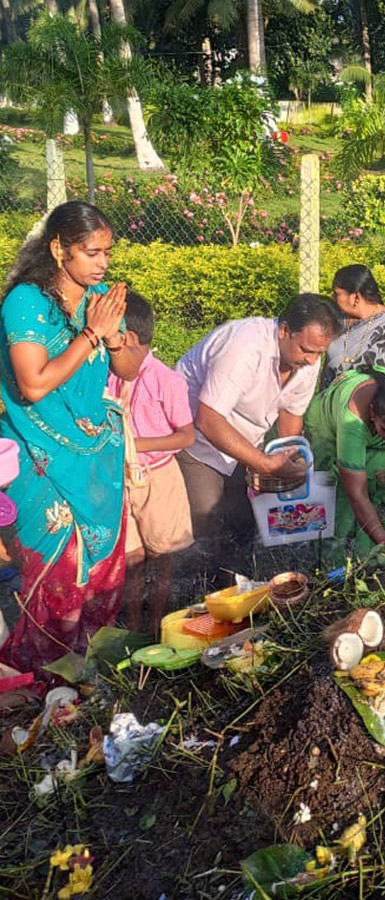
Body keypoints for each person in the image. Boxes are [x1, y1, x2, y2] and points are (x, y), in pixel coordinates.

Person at [0, 201, 140, 675]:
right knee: (61, 564)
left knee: (101, 569)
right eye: (92, 252)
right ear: (59, 248)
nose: (102, 262)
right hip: (38, 452)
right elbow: (32, 384)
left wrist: (115, 338)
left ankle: (81, 678)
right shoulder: (27, 302)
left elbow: (126, 369)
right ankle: (36, 679)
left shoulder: (98, 297)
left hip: (94, 456)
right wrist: (91, 334)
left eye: (107, 252)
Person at [176, 294, 342, 556]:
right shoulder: (244, 347)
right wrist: (264, 463)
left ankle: (242, 585)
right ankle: (209, 591)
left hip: (245, 438)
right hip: (199, 440)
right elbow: (208, 419)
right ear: (284, 330)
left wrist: (289, 457)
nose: (312, 361)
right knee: (210, 525)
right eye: (307, 351)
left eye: (320, 353)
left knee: (244, 525)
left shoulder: (308, 358)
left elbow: (290, 412)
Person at [106, 291, 195, 636]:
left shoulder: (165, 380)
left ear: (126, 337)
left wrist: (136, 444)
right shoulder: (110, 374)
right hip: (123, 478)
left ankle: (157, 622)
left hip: (159, 477)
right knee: (132, 557)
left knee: (162, 554)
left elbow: (186, 436)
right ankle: (133, 626)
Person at [306, 366, 385, 552]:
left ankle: (371, 552)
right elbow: (357, 496)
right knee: (340, 505)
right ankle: (336, 564)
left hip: (373, 437)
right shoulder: (351, 424)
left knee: (384, 490)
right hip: (326, 433)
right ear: (373, 413)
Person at [321, 265, 385, 389]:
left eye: (337, 294)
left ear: (355, 297)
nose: (332, 297)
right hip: (328, 399)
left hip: (373, 400)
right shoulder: (338, 320)